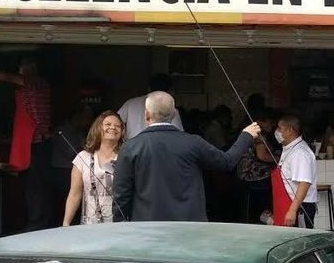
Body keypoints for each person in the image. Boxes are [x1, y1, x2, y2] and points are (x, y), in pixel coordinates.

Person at [113, 91, 259, 222]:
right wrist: (246, 135)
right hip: (189, 227)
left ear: (146, 114)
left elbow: (121, 195)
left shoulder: (130, 147)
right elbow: (226, 162)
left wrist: (120, 226)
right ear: (174, 114)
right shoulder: (193, 142)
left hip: (147, 227)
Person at [0, 57, 55, 231]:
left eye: (23, 66)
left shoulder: (36, 83)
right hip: (31, 145)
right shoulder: (31, 86)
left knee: (37, 190)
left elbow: (7, 77)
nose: (21, 70)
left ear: (32, 67)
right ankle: (36, 224)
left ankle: (38, 226)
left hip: (38, 144)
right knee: (31, 189)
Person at [63, 110, 124, 225]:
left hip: (119, 225)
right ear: (97, 129)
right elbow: (75, 194)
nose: (113, 128)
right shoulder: (83, 157)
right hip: (89, 226)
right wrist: (66, 224)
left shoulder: (126, 157)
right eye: (107, 124)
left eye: (118, 126)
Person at [274, 112, 319, 228]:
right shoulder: (289, 149)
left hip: (299, 208)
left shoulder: (300, 153)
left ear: (290, 130)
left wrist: (293, 210)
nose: (277, 132)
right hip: (287, 205)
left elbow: (304, 183)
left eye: (280, 128)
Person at [52, 103, 95, 219]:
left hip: (77, 171)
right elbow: (75, 154)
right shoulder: (62, 131)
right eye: (86, 117)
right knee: (65, 202)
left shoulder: (80, 132)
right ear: (77, 116)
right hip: (63, 172)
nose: (89, 121)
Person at [237, 109, 279, 224]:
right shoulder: (258, 135)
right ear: (260, 122)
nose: (272, 126)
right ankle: (267, 213)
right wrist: (279, 160)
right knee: (277, 179)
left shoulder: (251, 133)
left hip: (244, 173)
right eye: (270, 123)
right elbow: (262, 156)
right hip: (252, 174)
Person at [118, 73, 183, 139]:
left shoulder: (130, 103)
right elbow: (179, 134)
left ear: (149, 88)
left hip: (133, 146)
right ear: (170, 90)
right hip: (160, 147)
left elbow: (115, 122)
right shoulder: (170, 107)